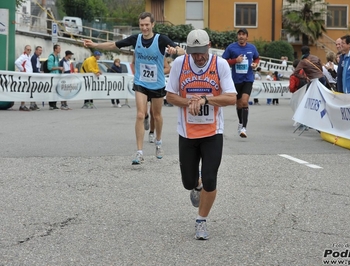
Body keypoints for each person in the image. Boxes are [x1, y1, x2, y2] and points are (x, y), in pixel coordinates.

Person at [83, 12, 183, 164]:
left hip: (157, 83)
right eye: (141, 25)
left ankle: (158, 142)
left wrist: (175, 51)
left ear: (152, 25)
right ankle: (139, 152)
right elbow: (113, 45)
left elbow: (181, 50)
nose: (144, 28)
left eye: (147, 25)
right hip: (141, 82)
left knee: (156, 116)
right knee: (140, 115)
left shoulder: (161, 39)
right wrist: (95, 45)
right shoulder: (136, 39)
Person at [165, 29, 236, 240]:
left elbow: (231, 97)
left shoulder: (220, 65)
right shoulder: (179, 64)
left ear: (209, 46)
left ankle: (201, 220)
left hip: (213, 131)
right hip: (187, 132)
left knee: (210, 178)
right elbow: (170, 96)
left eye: (201, 52)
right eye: (193, 52)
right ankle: (196, 186)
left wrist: (205, 99)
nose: (198, 57)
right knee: (188, 181)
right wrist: (189, 102)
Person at [222, 28, 260, 138]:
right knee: (238, 104)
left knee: (244, 102)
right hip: (236, 80)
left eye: (243, 34)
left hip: (248, 79)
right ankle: (240, 122)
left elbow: (257, 58)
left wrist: (255, 64)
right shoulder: (231, 47)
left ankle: (244, 128)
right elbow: (223, 61)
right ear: (237, 36)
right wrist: (235, 61)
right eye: (239, 34)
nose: (241, 36)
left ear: (247, 37)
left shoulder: (252, 48)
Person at [15, 45, 34, 111]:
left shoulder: (29, 57)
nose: (29, 51)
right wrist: (22, 69)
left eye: (30, 50)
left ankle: (24, 105)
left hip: (29, 76)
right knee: (24, 90)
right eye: (28, 49)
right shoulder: (23, 56)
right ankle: (22, 105)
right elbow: (17, 62)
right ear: (25, 50)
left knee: (27, 90)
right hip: (25, 76)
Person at [47, 44, 63, 110]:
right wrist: (58, 68)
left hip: (57, 76)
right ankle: (51, 104)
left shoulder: (57, 57)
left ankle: (54, 104)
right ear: (55, 49)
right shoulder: (51, 57)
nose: (60, 49)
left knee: (56, 90)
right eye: (59, 48)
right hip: (52, 76)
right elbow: (49, 67)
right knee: (52, 90)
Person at [29, 45, 42, 110]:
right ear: (36, 50)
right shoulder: (34, 58)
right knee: (33, 90)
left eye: (41, 50)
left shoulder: (37, 58)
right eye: (39, 50)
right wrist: (38, 73)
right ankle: (32, 104)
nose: (40, 52)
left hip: (36, 75)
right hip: (34, 76)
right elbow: (34, 68)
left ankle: (34, 103)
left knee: (35, 90)